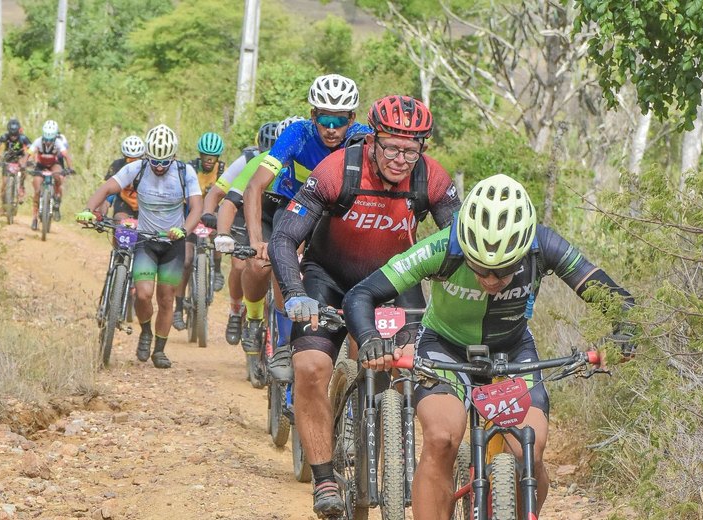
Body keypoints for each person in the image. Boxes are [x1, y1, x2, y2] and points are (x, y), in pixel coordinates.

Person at [342, 173, 637, 519]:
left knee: (530, 450)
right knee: (440, 439)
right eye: (479, 267)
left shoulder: (544, 246)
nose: (491, 280)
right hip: (444, 348)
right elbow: (360, 294)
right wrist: (370, 340)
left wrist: (623, 336)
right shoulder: (442, 246)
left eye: (505, 270)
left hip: (512, 351)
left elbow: (619, 302)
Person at [268, 95, 461, 517]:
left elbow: (462, 241)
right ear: (372, 139)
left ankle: (382, 463)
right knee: (311, 368)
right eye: (391, 146)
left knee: (396, 367)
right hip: (328, 278)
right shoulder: (338, 170)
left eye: (411, 150)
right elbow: (283, 237)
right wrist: (295, 292)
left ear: (423, 148)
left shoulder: (431, 178)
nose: (400, 158)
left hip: (392, 281)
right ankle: (323, 480)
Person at [244, 74, 371, 374]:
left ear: (352, 118)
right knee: (277, 256)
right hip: (294, 208)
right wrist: (254, 240)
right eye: (324, 118)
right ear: (313, 114)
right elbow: (254, 187)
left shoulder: (365, 138)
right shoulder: (297, 134)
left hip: (335, 214)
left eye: (339, 120)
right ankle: (285, 341)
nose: (330, 128)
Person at [77, 124, 203, 368]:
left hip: (173, 243)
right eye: (154, 160)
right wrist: (87, 210)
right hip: (145, 241)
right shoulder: (138, 168)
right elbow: (107, 188)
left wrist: (184, 230)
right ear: (147, 156)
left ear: (173, 158)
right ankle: (145, 331)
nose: (158, 166)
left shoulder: (184, 172)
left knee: (166, 299)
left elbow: (197, 207)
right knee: (143, 295)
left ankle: (159, 349)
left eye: (164, 162)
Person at [203, 121, 280, 344]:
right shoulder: (249, 161)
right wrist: (212, 218)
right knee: (239, 264)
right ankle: (236, 312)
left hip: (274, 215)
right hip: (243, 211)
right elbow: (220, 193)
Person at [172, 132, 227, 330]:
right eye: (205, 156)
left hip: (213, 218)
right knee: (186, 261)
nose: (208, 161)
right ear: (200, 155)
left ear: (218, 158)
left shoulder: (223, 171)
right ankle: (177, 308)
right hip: (191, 217)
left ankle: (218, 270)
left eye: (212, 157)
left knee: (222, 233)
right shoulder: (189, 169)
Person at [24, 120, 73, 229]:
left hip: (53, 165)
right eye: (46, 139)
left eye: (50, 140)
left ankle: (56, 198)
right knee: (37, 189)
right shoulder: (38, 141)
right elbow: (29, 154)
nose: (47, 142)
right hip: (40, 166)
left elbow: (66, 156)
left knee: (58, 177)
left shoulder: (58, 143)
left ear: (55, 137)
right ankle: (34, 218)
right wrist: (23, 164)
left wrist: (70, 168)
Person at [100, 135, 145, 221]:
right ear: (124, 156)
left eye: (136, 159)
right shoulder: (117, 165)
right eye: (129, 158)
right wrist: (101, 216)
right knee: (120, 220)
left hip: (144, 206)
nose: (132, 162)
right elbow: (107, 193)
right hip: (124, 204)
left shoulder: (149, 167)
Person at [0, 118, 32, 204]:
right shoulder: (4, 137)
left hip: (19, 158)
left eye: (15, 135)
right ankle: (3, 205)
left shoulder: (23, 138)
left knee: (23, 168)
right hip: (7, 159)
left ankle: (21, 186)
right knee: (4, 185)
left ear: (19, 131)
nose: (13, 137)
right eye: (11, 134)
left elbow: (31, 148)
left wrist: (27, 158)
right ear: (8, 132)